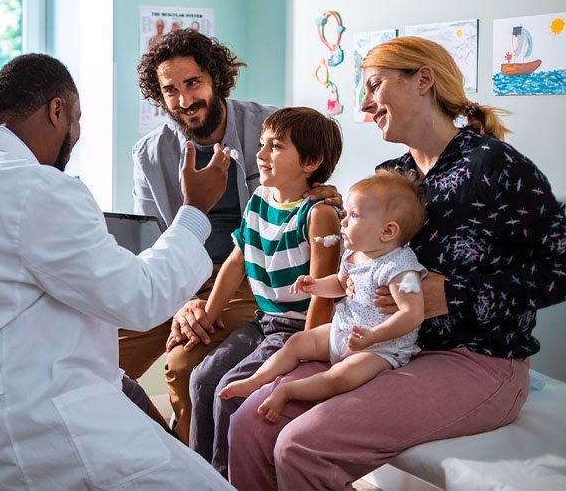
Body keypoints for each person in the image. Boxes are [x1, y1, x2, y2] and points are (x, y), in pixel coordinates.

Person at [228, 36, 566, 490]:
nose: (365, 105)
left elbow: (559, 268)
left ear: (422, 80)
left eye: (373, 86)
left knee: (301, 445)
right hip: (383, 347)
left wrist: (451, 296)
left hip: (476, 359)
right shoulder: (395, 174)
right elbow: (369, 254)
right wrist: (339, 214)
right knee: (251, 424)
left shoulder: (494, 166)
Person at [0, 53, 232, 489]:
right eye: (76, 120)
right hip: (35, 417)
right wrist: (196, 210)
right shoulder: (36, 187)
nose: (77, 134)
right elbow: (140, 299)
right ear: (56, 110)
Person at [127, 28, 278, 445]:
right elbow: (151, 244)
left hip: (245, 274)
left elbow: (303, 201)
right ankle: (168, 452)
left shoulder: (269, 127)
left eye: (192, 83)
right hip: (178, 278)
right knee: (95, 359)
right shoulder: (149, 154)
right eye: (170, 90)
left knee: (182, 364)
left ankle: (200, 470)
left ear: (215, 78)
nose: (184, 101)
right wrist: (180, 300)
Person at [186, 107, 344, 475]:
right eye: (262, 144)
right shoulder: (258, 199)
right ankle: (196, 475)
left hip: (296, 330)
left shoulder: (318, 214)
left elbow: (323, 293)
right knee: (202, 378)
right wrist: (207, 315)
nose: (260, 154)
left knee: (230, 390)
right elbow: (236, 262)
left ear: (311, 161)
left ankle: (227, 478)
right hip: (264, 322)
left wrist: (307, 353)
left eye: (276, 146)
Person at [221, 170, 427, 423]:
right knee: (297, 342)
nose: (343, 221)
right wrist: (315, 285)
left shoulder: (400, 268)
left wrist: (374, 336)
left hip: (381, 348)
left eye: (354, 216)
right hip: (344, 331)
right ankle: (255, 380)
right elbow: (340, 285)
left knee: (341, 377)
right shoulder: (354, 254)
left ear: (387, 231)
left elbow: (412, 313)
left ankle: (288, 391)